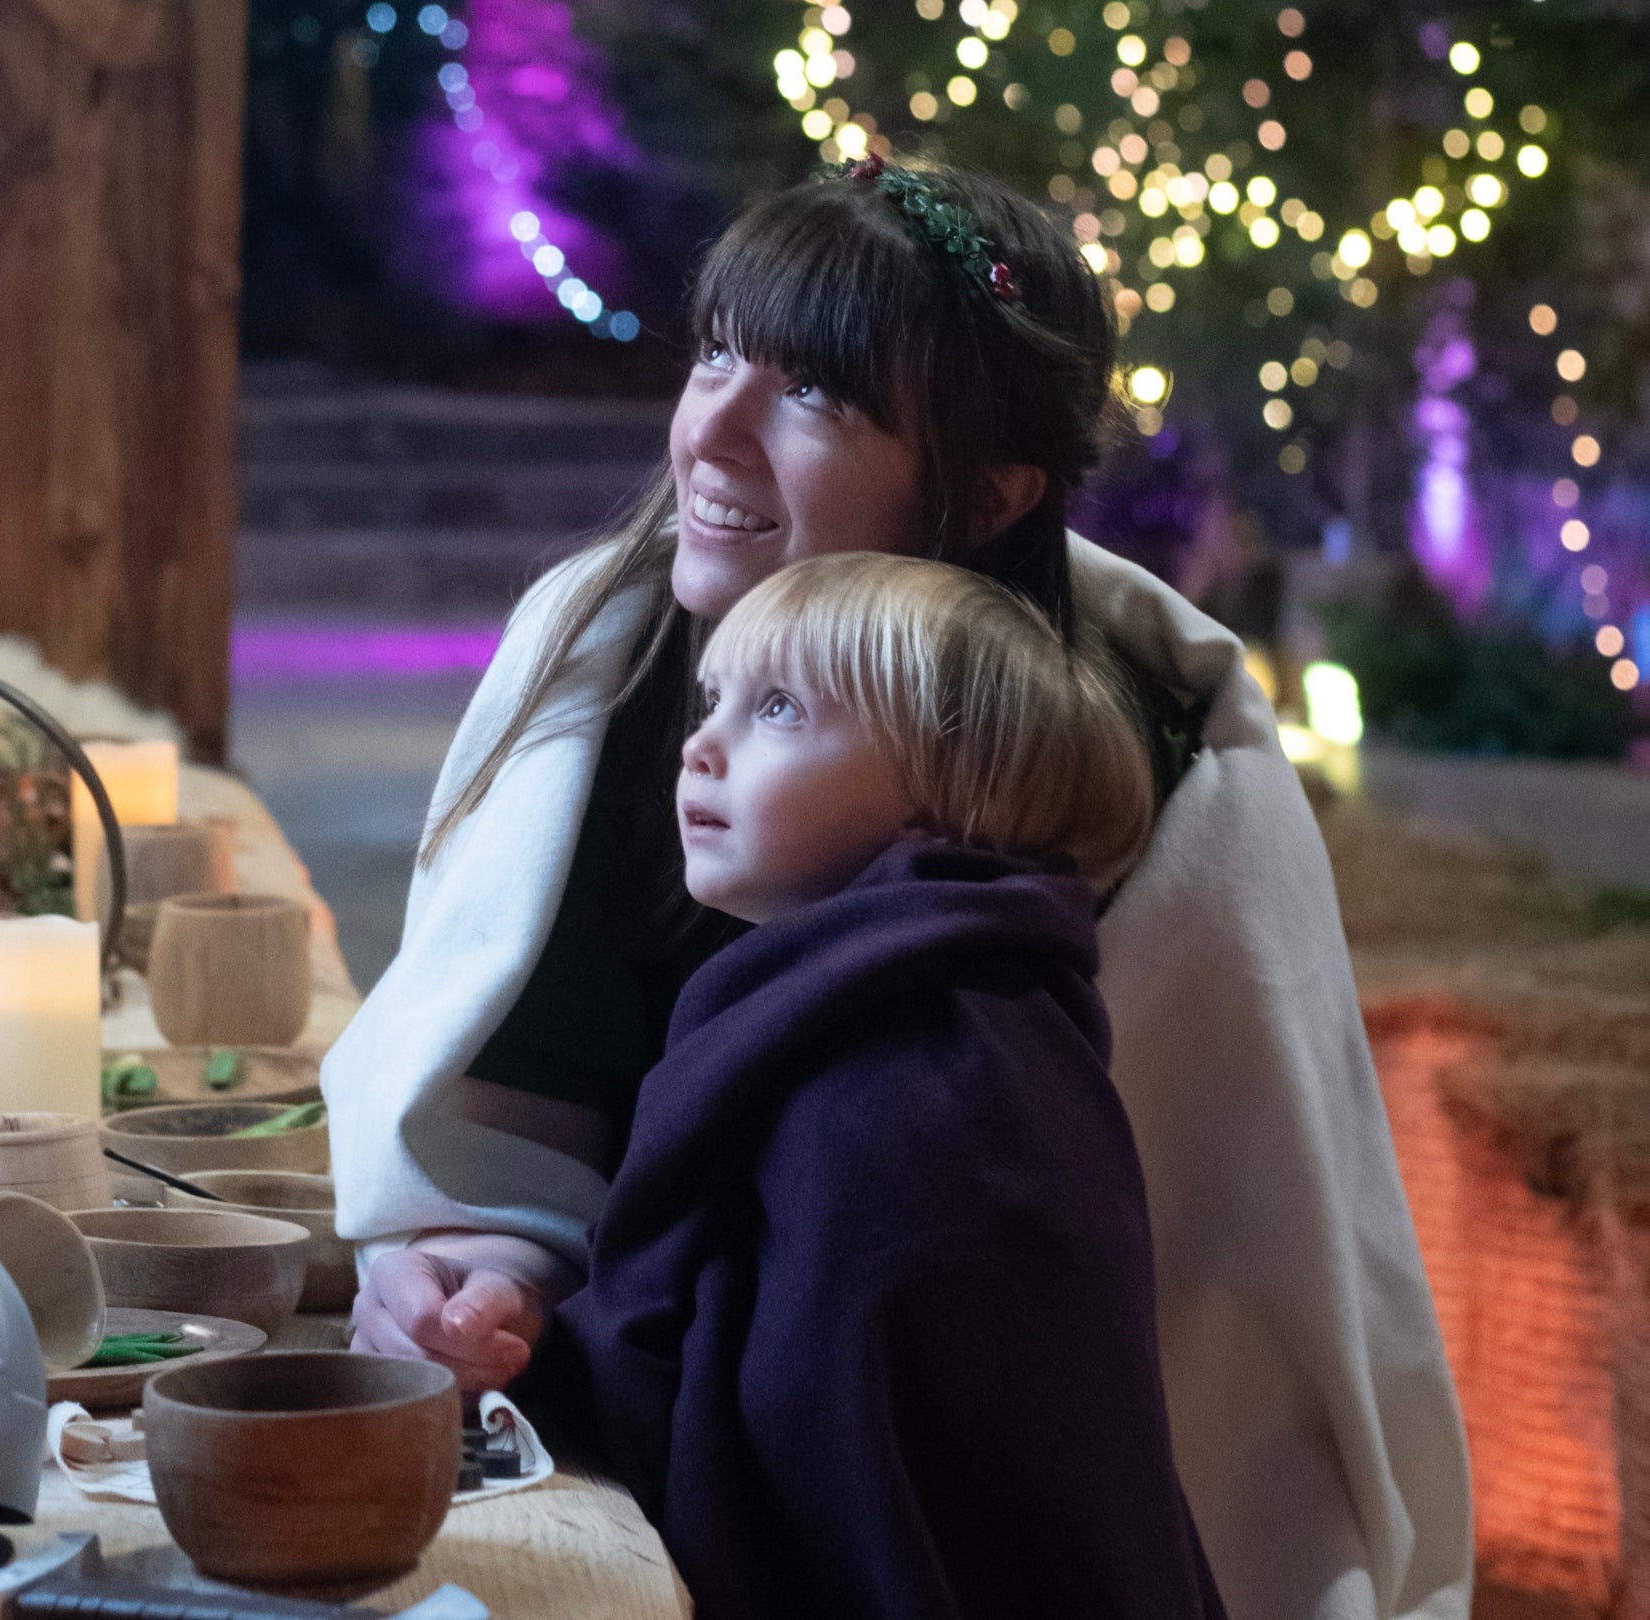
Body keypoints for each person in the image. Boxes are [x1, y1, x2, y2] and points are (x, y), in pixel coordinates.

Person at [320, 158, 1472, 1620]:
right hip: (672, 1425)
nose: (710, 430)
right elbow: (524, 1113)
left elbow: (1198, 1307)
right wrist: (481, 1268)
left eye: (814, 394)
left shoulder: (1154, 788)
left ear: (987, 491)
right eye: (716, 354)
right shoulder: (617, 666)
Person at [554, 549, 1217, 1619]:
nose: (699, 747)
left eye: (778, 710)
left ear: (946, 798)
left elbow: (826, 1434)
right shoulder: (905, 1002)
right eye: (714, 700)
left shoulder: (931, 1072)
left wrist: (555, 1370)